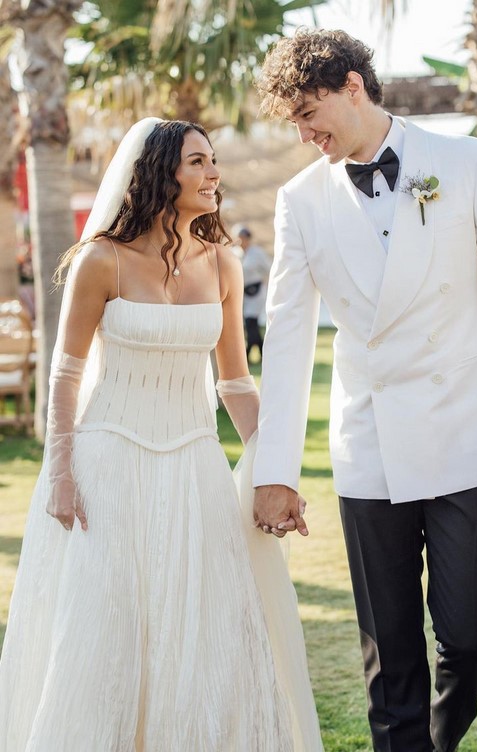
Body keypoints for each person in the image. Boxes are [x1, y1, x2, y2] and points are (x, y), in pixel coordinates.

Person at [252, 29, 477, 752]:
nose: (303, 135)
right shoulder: (300, 201)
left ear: (353, 86)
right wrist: (276, 472)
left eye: (308, 113)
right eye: (293, 122)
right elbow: (288, 341)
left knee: (472, 632)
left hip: (466, 434)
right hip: (370, 447)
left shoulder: (470, 163)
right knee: (390, 657)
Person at [0, 118, 322, 752]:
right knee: (107, 630)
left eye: (213, 160)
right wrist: (60, 473)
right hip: (107, 464)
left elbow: (235, 383)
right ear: (158, 172)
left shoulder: (223, 263)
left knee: (200, 627)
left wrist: (275, 469)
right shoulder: (102, 260)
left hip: (195, 468)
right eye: (197, 161)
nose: (213, 173)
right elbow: (65, 376)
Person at [234, 225, 272, 362]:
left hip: (256, 292)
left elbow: (269, 269)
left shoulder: (257, 253)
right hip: (242, 293)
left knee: (251, 321)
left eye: (244, 238)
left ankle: (248, 353)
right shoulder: (235, 253)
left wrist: (265, 282)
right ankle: (261, 353)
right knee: (249, 323)